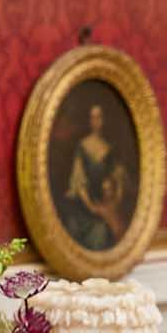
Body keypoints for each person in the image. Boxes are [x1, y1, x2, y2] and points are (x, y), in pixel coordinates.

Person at [58, 100, 133, 254]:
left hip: (106, 204)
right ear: (89, 120)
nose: (96, 121)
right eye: (93, 117)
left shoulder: (108, 148)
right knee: (98, 232)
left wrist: (114, 202)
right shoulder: (83, 146)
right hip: (86, 207)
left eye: (99, 117)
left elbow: (117, 177)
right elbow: (79, 182)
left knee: (119, 228)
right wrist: (92, 207)